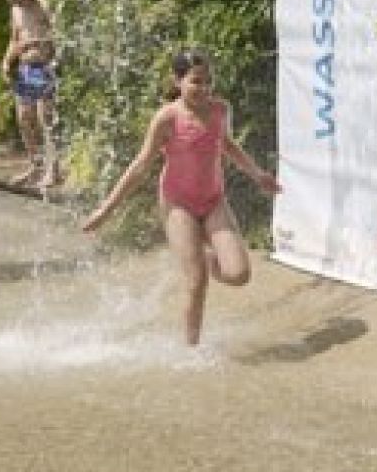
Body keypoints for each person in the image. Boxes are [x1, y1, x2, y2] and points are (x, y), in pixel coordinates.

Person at [81, 49, 281, 346]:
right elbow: (140, 166)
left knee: (239, 275)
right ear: (177, 81)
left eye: (208, 81)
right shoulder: (167, 118)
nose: (204, 88)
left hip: (213, 200)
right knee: (196, 282)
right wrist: (107, 209)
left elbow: (227, 145)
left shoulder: (220, 110)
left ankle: (211, 259)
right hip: (178, 204)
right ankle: (191, 349)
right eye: (196, 81)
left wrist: (258, 174)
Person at [0, 0, 60, 189]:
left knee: (46, 118)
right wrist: (6, 60)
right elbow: (14, 38)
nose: (11, 0)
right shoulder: (15, 10)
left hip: (44, 65)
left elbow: (58, 35)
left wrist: (38, 42)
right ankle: (35, 165)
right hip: (25, 67)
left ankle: (54, 168)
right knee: (24, 117)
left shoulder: (42, 5)